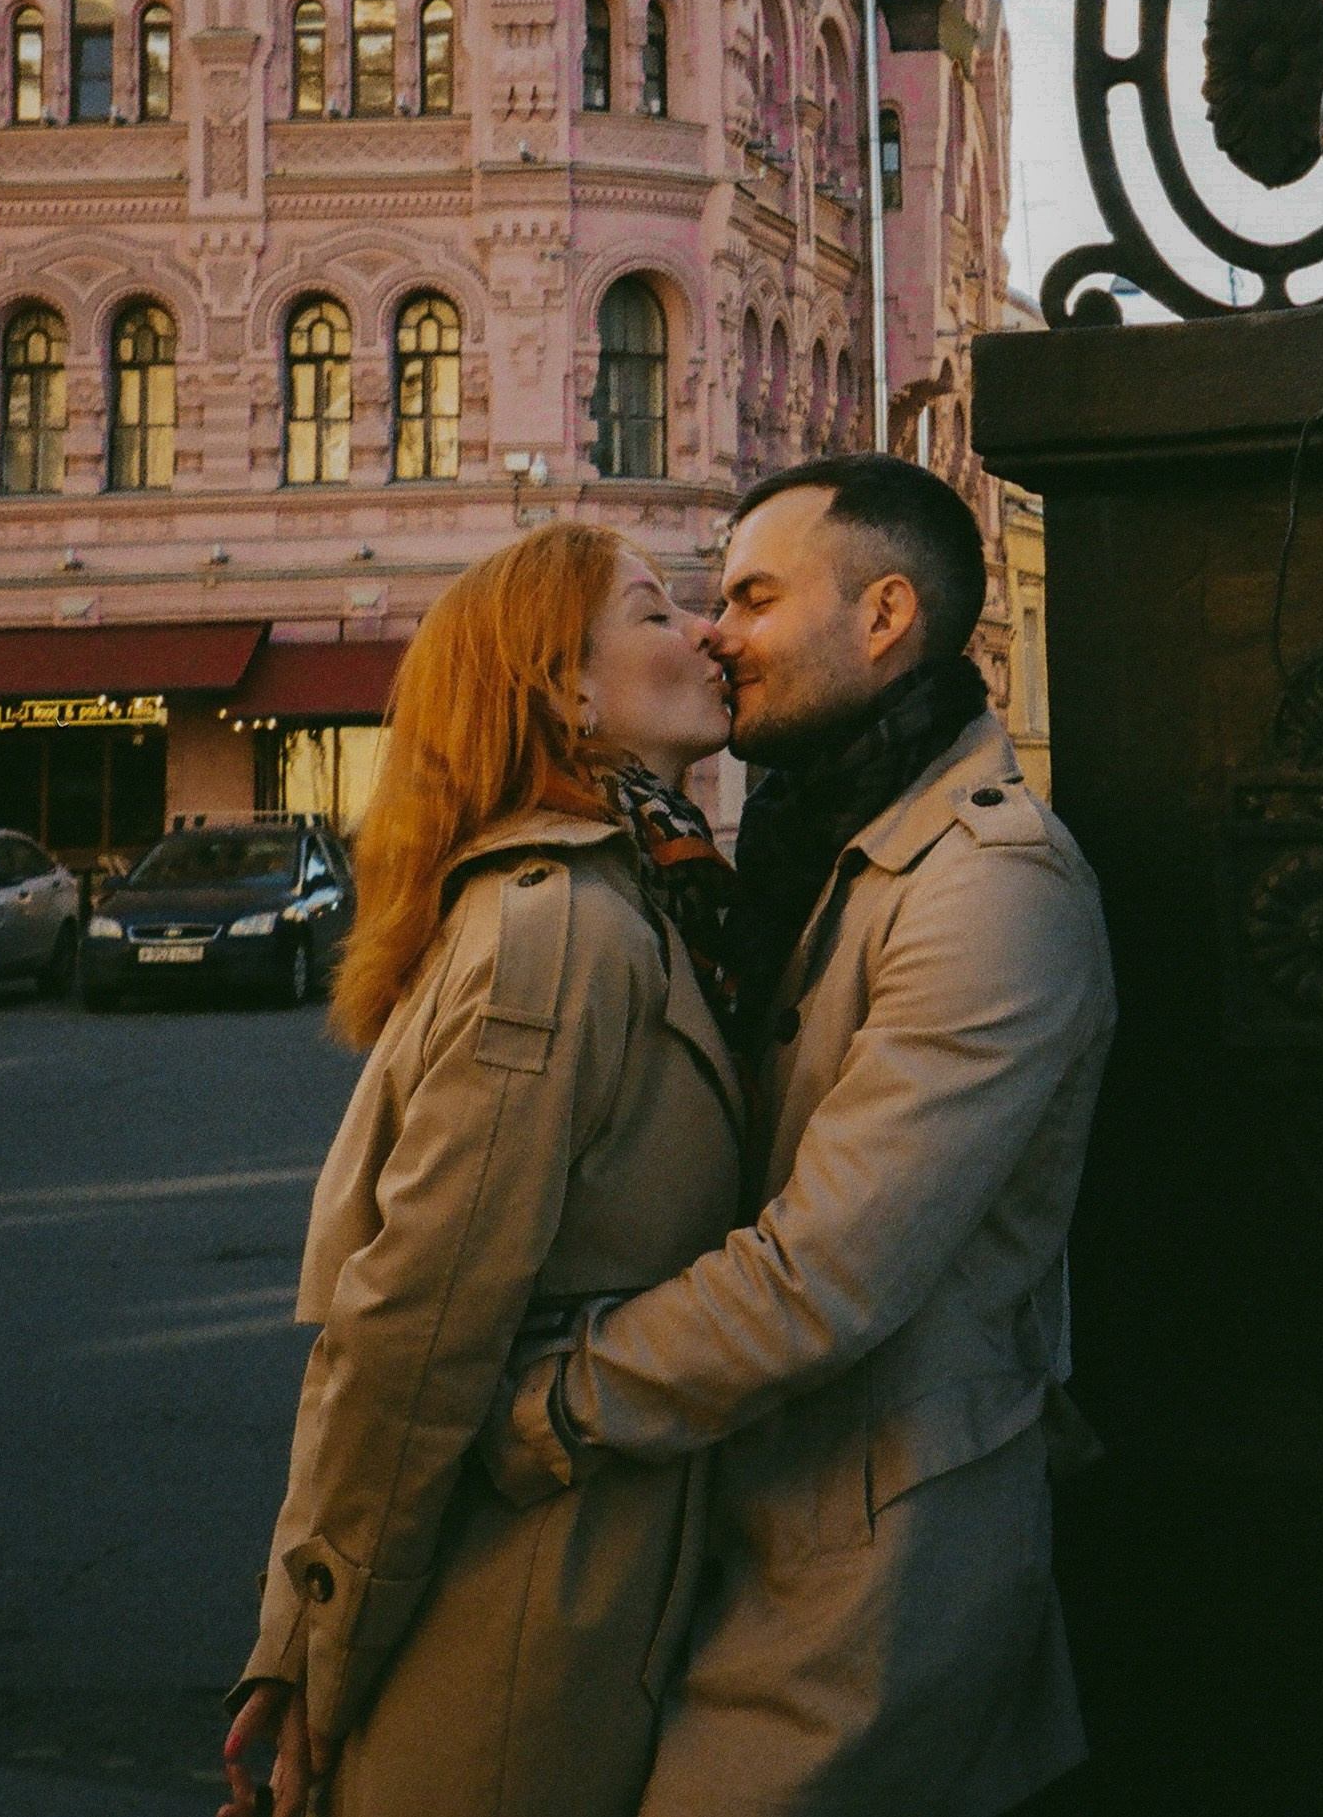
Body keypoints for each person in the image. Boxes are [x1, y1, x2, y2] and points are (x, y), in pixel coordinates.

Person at [488, 455, 1117, 1817]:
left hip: (871, 1579)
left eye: (757, 597)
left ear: (884, 614)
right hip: (736, 1520)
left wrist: (548, 1401)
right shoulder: (797, 851)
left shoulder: (992, 887)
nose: (716, 630)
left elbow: (821, 1275)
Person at [220, 524, 742, 1817]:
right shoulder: (559, 925)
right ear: (567, 689)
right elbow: (412, 1325)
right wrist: (314, 1660)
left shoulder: (649, 894)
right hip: (512, 1627)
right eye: (656, 610)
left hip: (576, 1588)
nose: (709, 630)